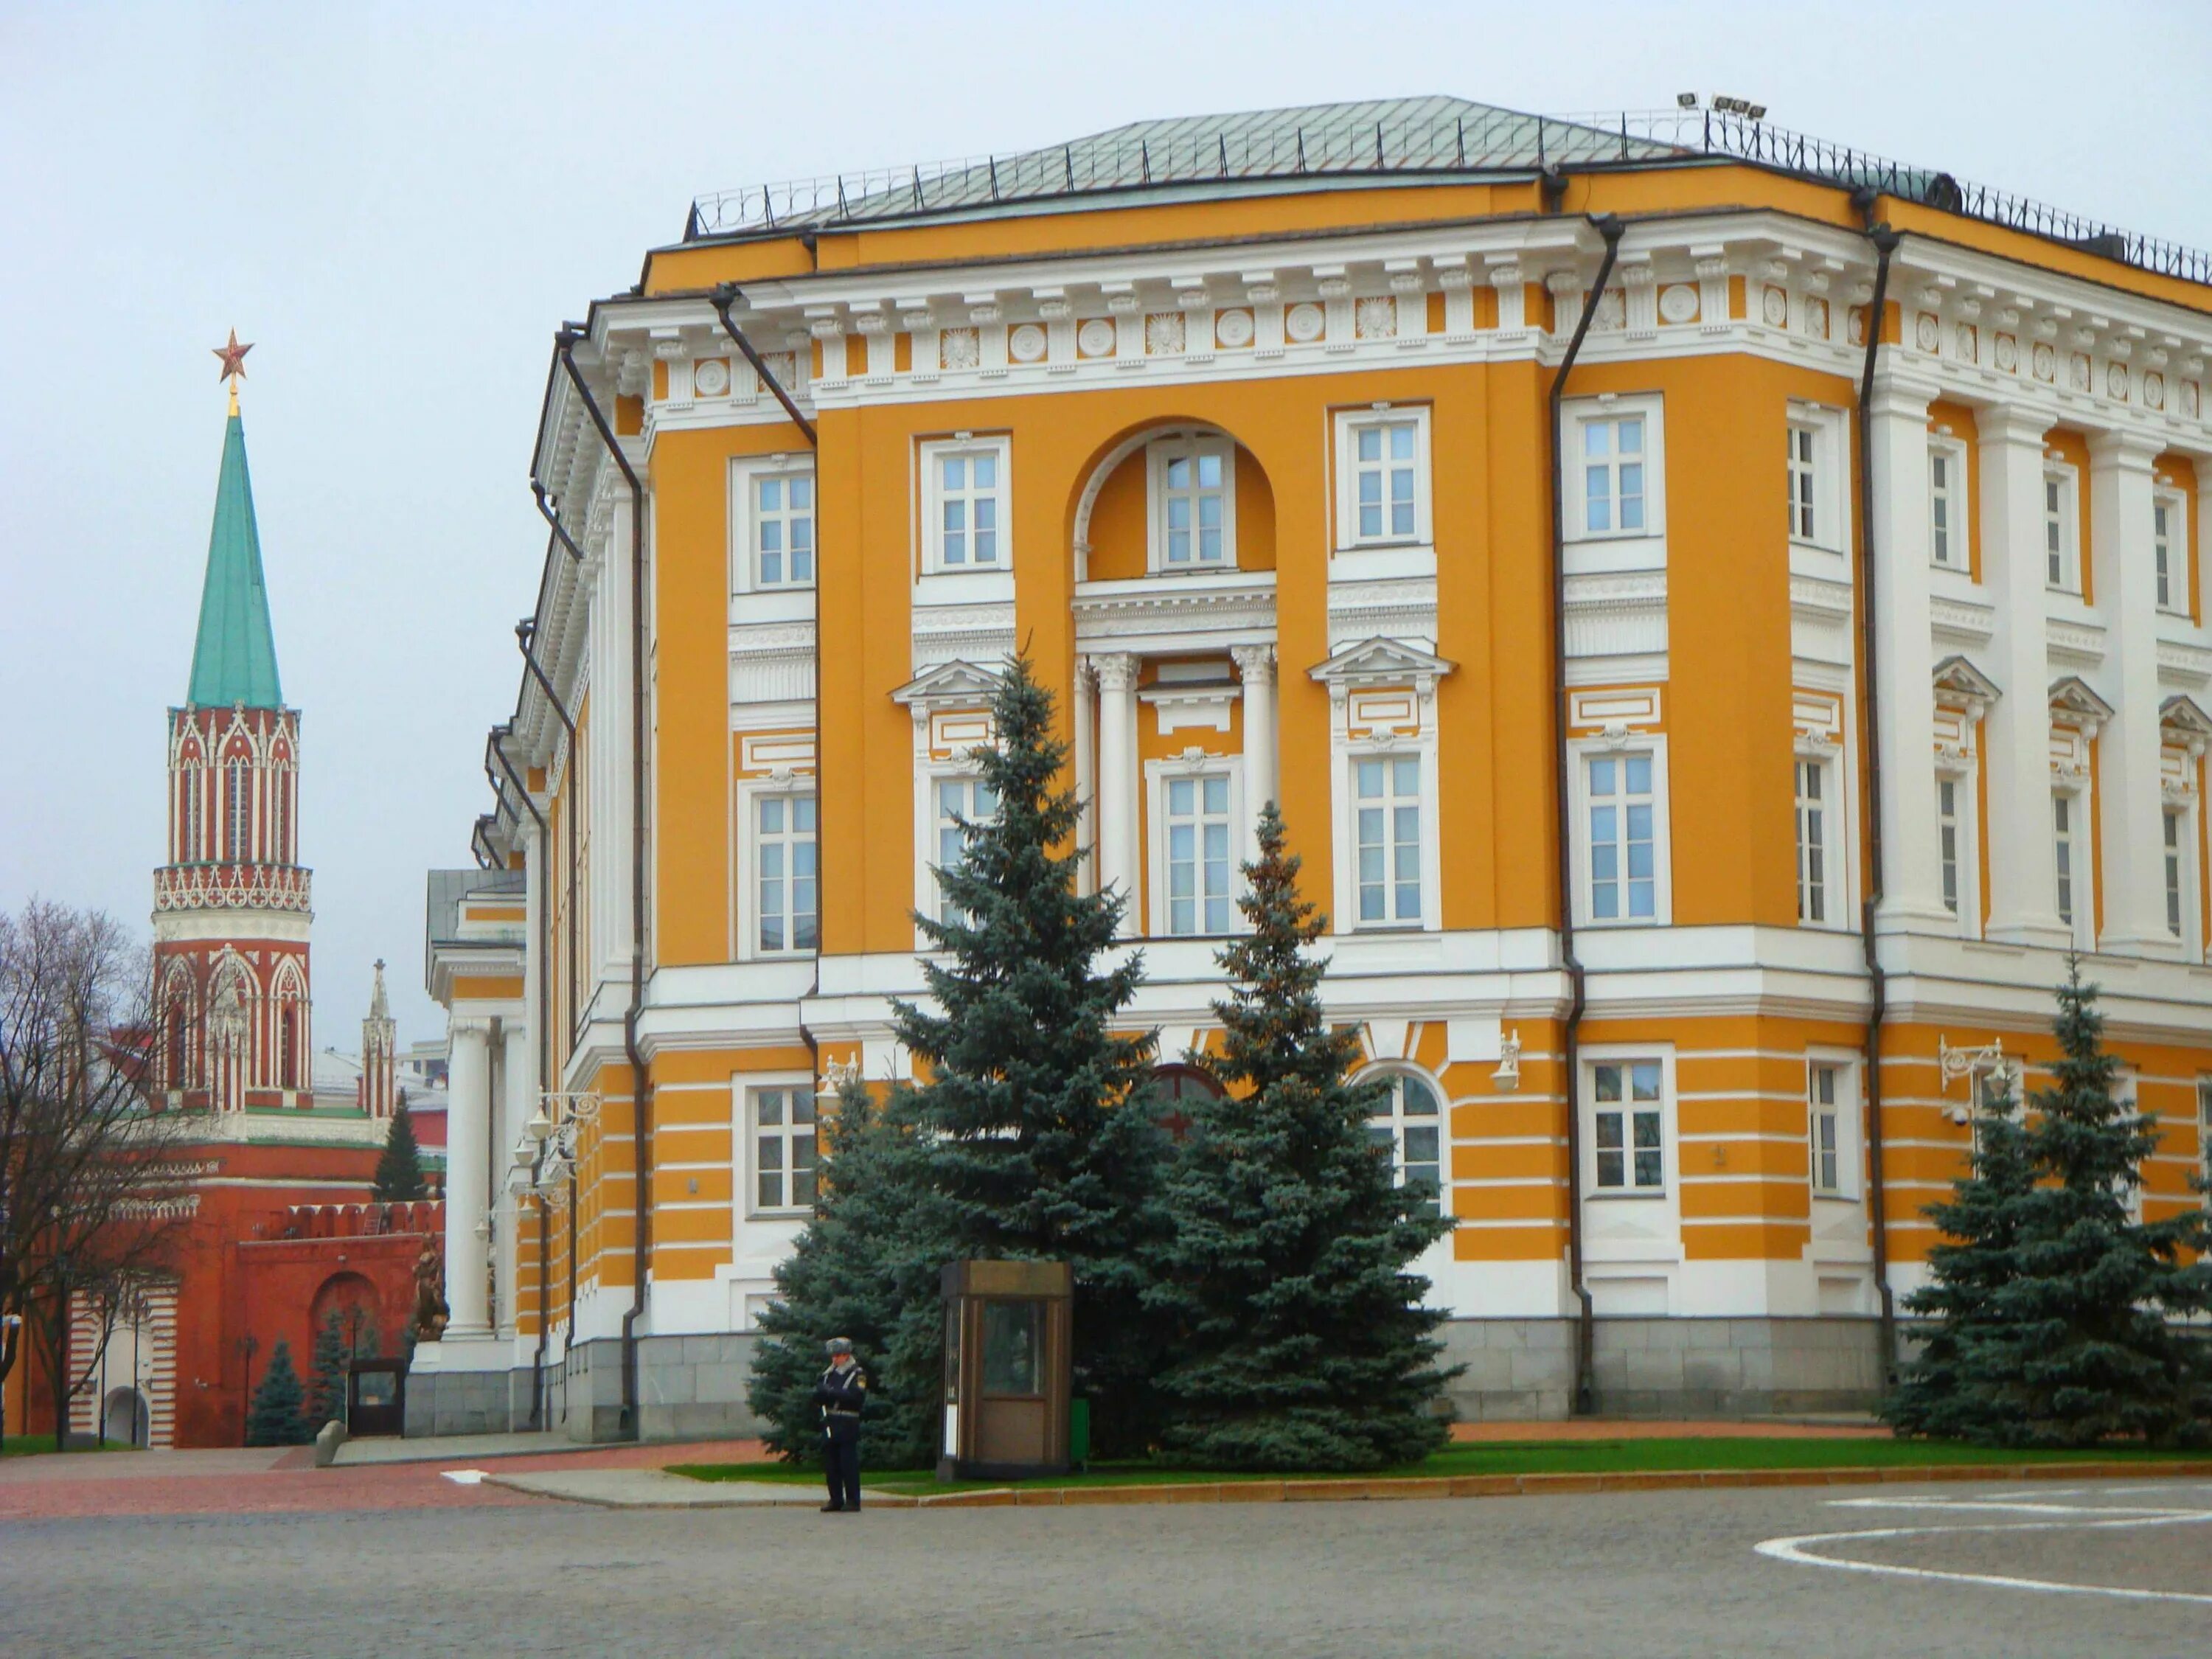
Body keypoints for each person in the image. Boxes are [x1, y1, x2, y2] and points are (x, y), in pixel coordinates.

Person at [815, 1337, 867, 1513]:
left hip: (847, 1422)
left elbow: (856, 1397)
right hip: (830, 1422)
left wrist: (831, 1393)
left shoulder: (857, 1374)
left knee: (848, 1464)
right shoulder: (828, 1374)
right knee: (832, 1464)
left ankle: (853, 1500)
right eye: (833, 1356)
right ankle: (835, 1499)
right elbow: (820, 1393)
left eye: (838, 1355)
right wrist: (822, 1394)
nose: (834, 1359)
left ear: (846, 1355)